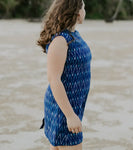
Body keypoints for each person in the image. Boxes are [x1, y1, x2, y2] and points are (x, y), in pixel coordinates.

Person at [37, 0, 92, 150]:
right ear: (77, 11)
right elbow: (54, 80)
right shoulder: (60, 40)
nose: (85, 11)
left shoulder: (74, 34)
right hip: (62, 108)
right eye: (84, 7)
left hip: (72, 104)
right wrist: (70, 116)